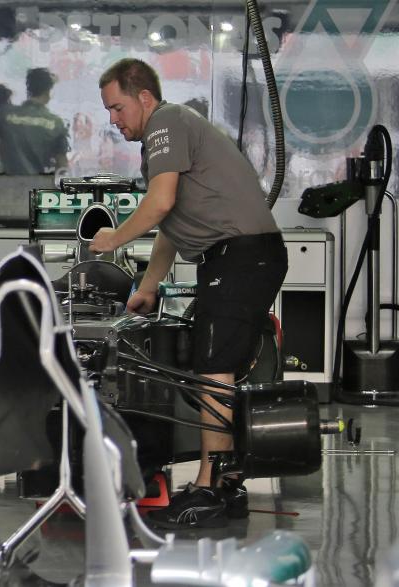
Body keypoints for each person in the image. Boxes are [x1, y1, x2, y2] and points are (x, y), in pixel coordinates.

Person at [90, 58, 287, 530]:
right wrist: (148, 286)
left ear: (144, 97)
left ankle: (209, 487)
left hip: (241, 255)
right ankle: (227, 482)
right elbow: (172, 225)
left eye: (117, 108)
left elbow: (158, 204)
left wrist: (111, 239)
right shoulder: (169, 133)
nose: (113, 120)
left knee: (213, 369)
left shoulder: (167, 121)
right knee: (209, 364)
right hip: (234, 256)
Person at [0, 67, 69, 175]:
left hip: (7, 186)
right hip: (39, 187)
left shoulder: (5, 115)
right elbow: (62, 166)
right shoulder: (56, 123)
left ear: (29, 89)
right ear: (48, 91)